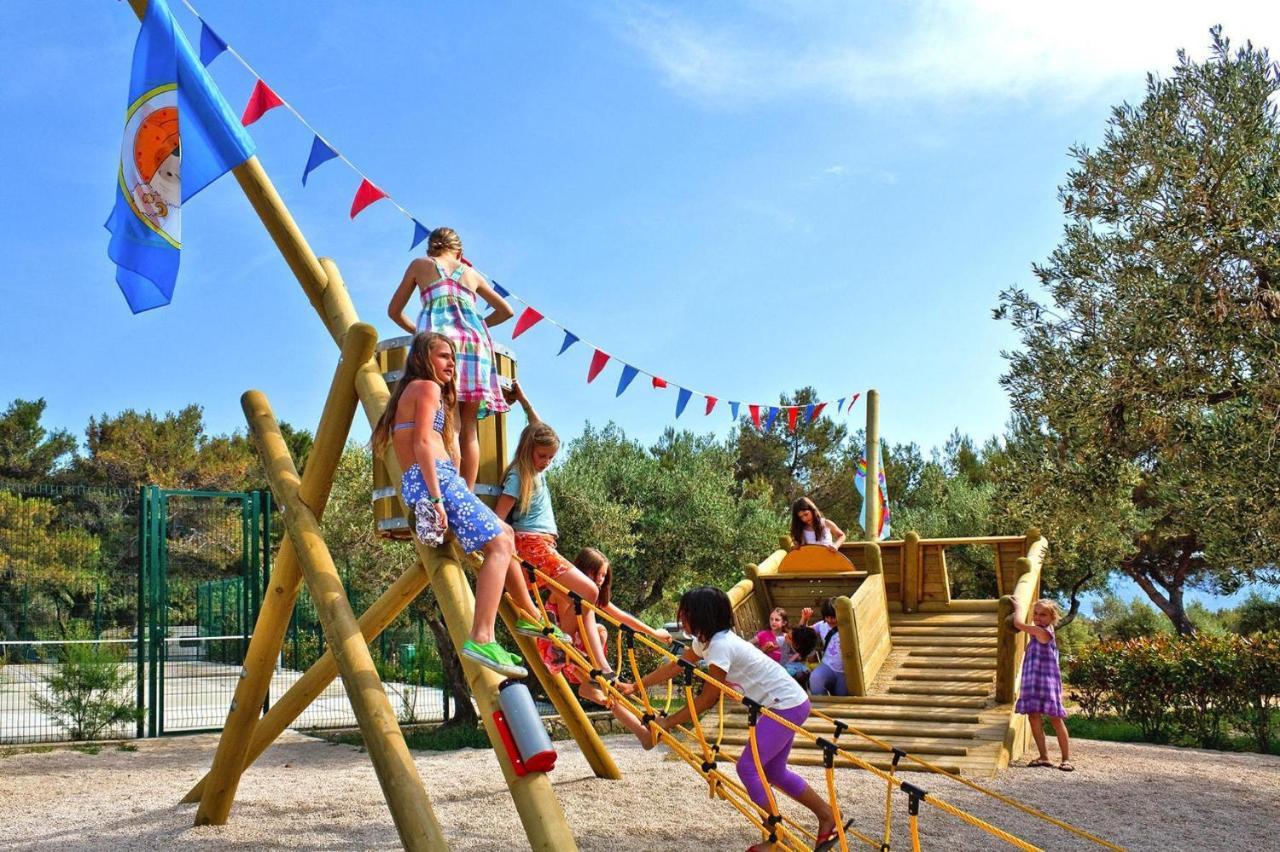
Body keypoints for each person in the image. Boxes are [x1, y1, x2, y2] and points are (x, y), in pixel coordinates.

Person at [371, 332, 556, 679]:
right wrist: (436, 497)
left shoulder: (415, 393)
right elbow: (424, 442)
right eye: (443, 356)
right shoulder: (425, 388)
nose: (451, 364)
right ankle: (482, 636)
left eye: (453, 359)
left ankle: (529, 616)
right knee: (500, 544)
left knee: (505, 532)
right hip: (435, 480)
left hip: (438, 480)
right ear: (422, 357)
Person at [611, 587, 838, 852]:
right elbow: (678, 666)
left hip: (785, 705)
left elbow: (709, 698)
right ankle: (826, 816)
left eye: (685, 613)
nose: (681, 617)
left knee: (748, 768)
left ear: (701, 616)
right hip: (786, 702)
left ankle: (777, 839)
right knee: (773, 771)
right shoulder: (706, 641)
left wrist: (668, 722)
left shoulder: (720, 645)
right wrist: (635, 686)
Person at [493, 394, 617, 694]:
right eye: (542, 456)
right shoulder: (519, 475)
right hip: (532, 545)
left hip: (543, 545)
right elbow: (498, 516)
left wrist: (522, 399)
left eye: (550, 457)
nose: (547, 462)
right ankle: (595, 662)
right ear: (528, 451)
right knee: (588, 591)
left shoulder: (533, 469)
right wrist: (502, 549)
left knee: (579, 600)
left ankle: (587, 663)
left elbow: (538, 426)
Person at [386, 226, 513, 490]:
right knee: (469, 426)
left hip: (440, 344)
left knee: (450, 423)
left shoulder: (420, 265)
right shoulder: (470, 273)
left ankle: (450, 490)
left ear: (430, 247)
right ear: (459, 252)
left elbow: (394, 311)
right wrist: (478, 327)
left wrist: (418, 332)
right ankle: (466, 491)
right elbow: (506, 311)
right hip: (475, 345)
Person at [544, 548, 672, 703]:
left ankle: (589, 682)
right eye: (595, 573)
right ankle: (599, 668)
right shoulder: (562, 593)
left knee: (601, 630)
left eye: (603, 575)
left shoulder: (590, 597)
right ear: (582, 571)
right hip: (555, 647)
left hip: (573, 649)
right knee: (587, 610)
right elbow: (566, 626)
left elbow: (622, 617)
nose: (600, 579)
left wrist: (654, 633)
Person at [1012, 598, 1073, 772]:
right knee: (1033, 716)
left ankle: (1066, 759)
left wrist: (1018, 607)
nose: (1038, 617)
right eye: (1036, 614)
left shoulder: (1043, 632)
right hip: (1032, 680)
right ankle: (1044, 756)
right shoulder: (1037, 632)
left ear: (1052, 618)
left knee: (1055, 718)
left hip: (1046, 682)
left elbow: (1017, 623)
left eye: (1043, 614)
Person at [800, 600, 848, 696]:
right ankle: (821, 703)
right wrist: (804, 619)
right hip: (828, 666)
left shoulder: (847, 627)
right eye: (827, 617)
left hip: (845, 671)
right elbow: (803, 633)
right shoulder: (822, 625)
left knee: (842, 695)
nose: (830, 620)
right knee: (815, 678)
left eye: (833, 617)